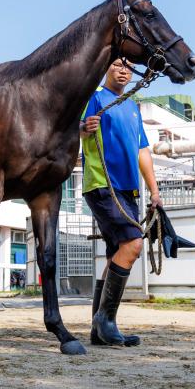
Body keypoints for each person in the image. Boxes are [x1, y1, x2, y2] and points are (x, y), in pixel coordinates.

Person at [80, 58, 162, 347]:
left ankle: (98, 330)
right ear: (105, 68)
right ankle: (105, 320)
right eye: (117, 64)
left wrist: (154, 191)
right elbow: (71, 129)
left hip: (129, 190)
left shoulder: (133, 107)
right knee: (133, 244)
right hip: (102, 184)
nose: (123, 69)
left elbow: (142, 150)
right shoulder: (93, 97)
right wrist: (83, 128)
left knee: (117, 251)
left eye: (128, 66)